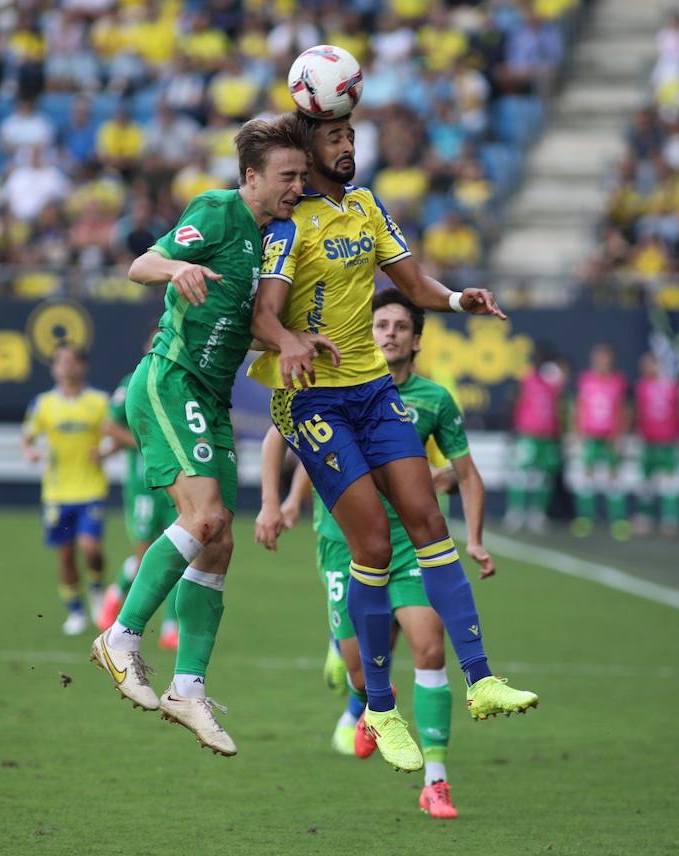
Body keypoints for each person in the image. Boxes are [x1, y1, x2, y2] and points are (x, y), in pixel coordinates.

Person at [248, 110, 538, 776]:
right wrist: (291, 342)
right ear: (308, 151)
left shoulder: (368, 207)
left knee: (429, 522)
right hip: (311, 398)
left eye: (351, 136)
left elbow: (411, 285)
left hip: (373, 391)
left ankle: (482, 678)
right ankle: (379, 707)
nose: (348, 146)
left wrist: (459, 299)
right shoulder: (289, 227)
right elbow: (262, 315)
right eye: (335, 138)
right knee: (373, 541)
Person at [89, 116, 316, 757]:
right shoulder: (217, 212)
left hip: (212, 400)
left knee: (217, 547)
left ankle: (187, 688)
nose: (297, 185)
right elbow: (140, 263)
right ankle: (121, 636)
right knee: (206, 516)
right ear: (251, 177)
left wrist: (295, 342)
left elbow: (253, 325)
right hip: (170, 381)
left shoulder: (277, 239)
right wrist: (173, 270)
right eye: (286, 176)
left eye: (301, 175)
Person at [257, 289, 495, 819]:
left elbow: (466, 473)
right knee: (364, 675)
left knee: (430, 650)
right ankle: (357, 689)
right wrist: (276, 503)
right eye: (380, 324)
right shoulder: (331, 381)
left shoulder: (433, 400)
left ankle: (436, 781)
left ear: (416, 339)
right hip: (345, 545)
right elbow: (285, 439)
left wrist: (473, 535)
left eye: (400, 326)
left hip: (410, 545)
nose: (389, 333)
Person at [97, 333, 182, 652]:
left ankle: (171, 627)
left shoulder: (181, 379)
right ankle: (116, 596)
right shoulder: (133, 381)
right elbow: (110, 426)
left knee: (181, 553)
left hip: (177, 479)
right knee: (145, 555)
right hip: (145, 483)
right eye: (155, 341)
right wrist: (146, 443)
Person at [20, 346, 112, 636]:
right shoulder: (43, 404)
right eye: (61, 362)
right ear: (54, 368)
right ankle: (76, 612)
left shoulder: (98, 402)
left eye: (72, 362)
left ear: (83, 367)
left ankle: (97, 589)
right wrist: (30, 452)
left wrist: (106, 452)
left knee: (90, 548)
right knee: (65, 554)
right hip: (57, 493)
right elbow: (27, 438)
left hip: (90, 488)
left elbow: (116, 434)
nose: (67, 367)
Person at [504, 346, 568, 533]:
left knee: (544, 476)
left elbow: (560, 409)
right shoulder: (526, 380)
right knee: (521, 473)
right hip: (528, 433)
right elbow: (514, 402)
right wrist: (512, 429)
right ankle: (516, 512)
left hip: (548, 436)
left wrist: (561, 433)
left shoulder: (555, 382)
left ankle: (537, 513)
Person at [572, 343, 629, 540]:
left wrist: (620, 434)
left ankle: (618, 519)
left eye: (605, 358)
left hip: (610, 436)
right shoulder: (586, 380)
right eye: (599, 357)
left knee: (613, 478)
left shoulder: (617, 381)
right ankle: (585, 517)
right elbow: (580, 407)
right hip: (591, 434)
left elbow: (622, 409)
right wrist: (578, 431)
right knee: (587, 476)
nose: (602, 362)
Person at [632, 351, 679, 536]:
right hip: (649, 441)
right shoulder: (642, 387)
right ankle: (645, 517)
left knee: (670, 483)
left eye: (651, 364)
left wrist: (678, 432)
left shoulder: (671, 387)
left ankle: (670, 520)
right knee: (646, 483)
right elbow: (638, 412)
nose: (648, 368)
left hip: (668, 441)